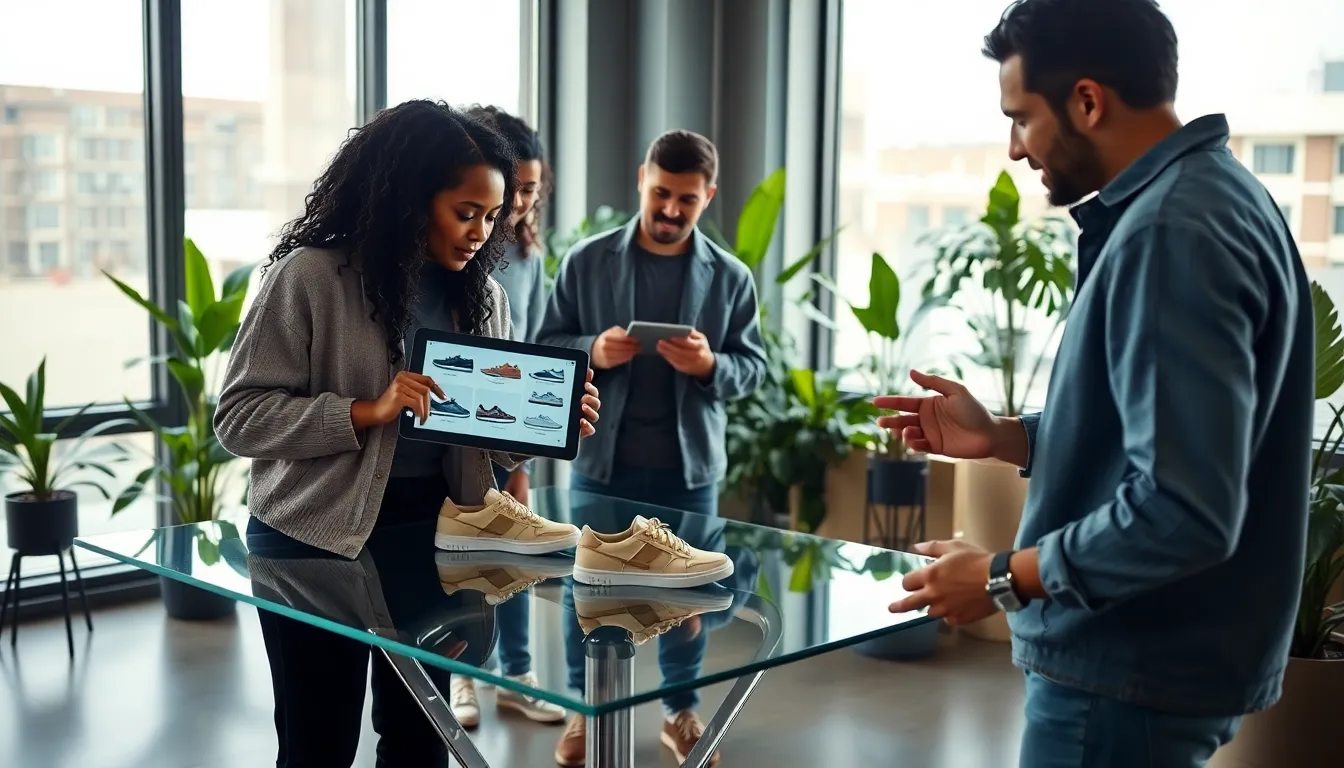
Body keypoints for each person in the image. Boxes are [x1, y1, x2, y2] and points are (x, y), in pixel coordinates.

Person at [877, 1, 1314, 767]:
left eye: (1021, 118)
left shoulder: (1171, 231)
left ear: (1087, 100)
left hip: (1124, 678)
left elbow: (1184, 509)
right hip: (1150, 674)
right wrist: (1004, 436)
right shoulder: (1219, 197)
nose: (1015, 149)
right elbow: (1180, 442)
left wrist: (999, 578)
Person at [213, 99, 602, 768]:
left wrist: (548, 425)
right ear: (409, 198)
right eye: (465, 211)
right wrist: (365, 411)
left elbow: (487, 444)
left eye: (491, 215)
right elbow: (240, 417)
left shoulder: (485, 300)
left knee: (422, 738)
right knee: (318, 744)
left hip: (428, 541)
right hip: (311, 544)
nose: (482, 232)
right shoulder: (309, 277)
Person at [535, 128, 767, 765]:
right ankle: (586, 711)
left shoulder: (731, 278)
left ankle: (679, 712)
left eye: (686, 201)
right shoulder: (586, 261)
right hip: (601, 466)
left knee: (686, 599)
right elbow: (543, 348)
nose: (669, 210)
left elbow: (754, 369)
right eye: (661, 193)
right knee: (589, 593)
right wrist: (592, 351)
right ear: (642, 179)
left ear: (708, 196)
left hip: (689, 471)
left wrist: (712, 364)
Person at [445, 104, 566, 728]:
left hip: (507, 428)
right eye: (512, 188)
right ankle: (463, 677)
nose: (519, 204)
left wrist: (523, 444)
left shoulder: (527, 256)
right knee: (468, 557)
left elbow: (538, 345)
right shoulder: (456, 252)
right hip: (456, 428)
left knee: (514, 552)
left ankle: (518, 673)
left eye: (529, 191)